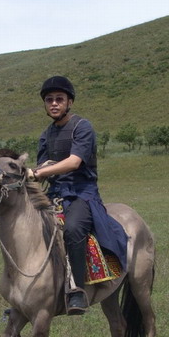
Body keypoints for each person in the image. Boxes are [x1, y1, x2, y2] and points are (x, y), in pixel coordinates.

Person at [30, 76, 128, 315]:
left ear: (69, 102)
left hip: (82, 194)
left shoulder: (82, 127)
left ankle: (78, 291)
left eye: (59, 99)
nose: (54, 103)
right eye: (49, 100)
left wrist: (39, 171)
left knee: (73, 229)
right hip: (54, 194)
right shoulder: (45, 135)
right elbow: (43, 168)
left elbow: (74, 162)